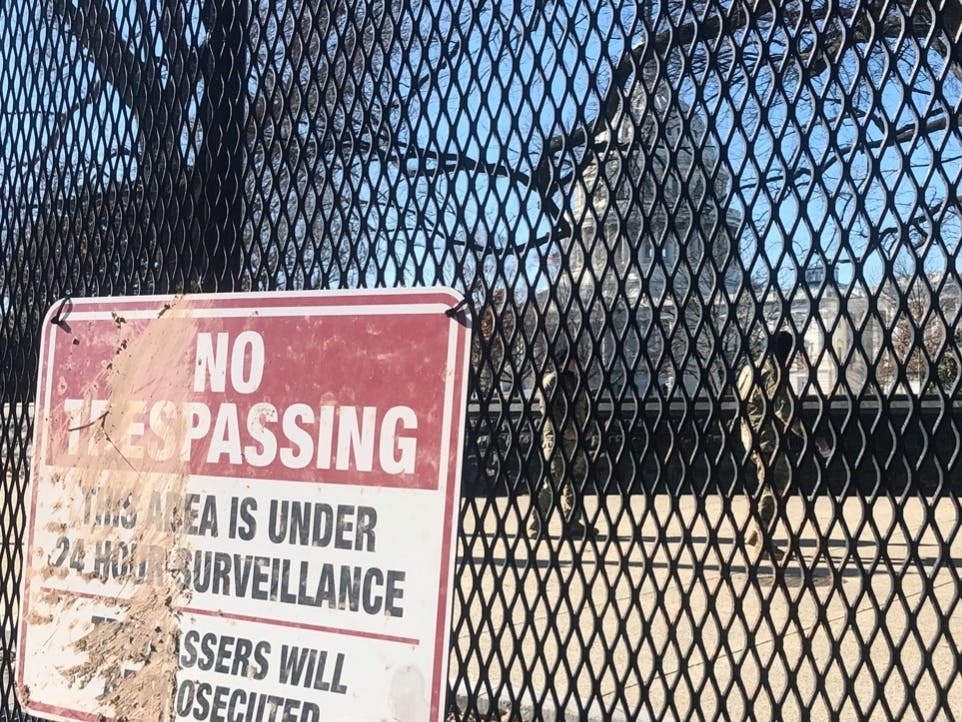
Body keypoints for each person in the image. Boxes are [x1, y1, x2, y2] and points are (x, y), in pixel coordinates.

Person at [736, 330, 829, 563]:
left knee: (766, 484)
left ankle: (756, 533)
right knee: (774, 489)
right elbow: (785, 411)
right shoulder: (773, 374)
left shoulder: (750, 368)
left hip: (750, 434)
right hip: (768, 439)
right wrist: (812, 436)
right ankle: (763, 542)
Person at [529, 355, 599, 540]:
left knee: (575, 482)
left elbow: (586, 409)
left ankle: (572, 523)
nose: (575, 364)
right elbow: (549, 410)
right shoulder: (551, 381)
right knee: (553, 482)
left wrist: (588, 430)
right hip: (557, 441)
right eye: (573, 360)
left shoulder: (577, 382)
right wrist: (567, 431)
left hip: (577, 440)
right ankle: (537, 525)